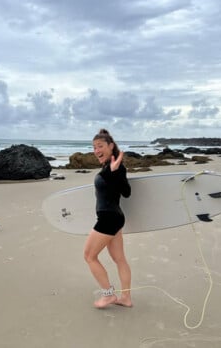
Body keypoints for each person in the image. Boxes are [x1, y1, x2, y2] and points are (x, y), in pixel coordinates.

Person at [83, 129, 132, 308]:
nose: (96, 151)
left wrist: (114, 172)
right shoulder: (108, 167)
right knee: (119, 259)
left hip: (109, 219)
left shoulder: (116, 168)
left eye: (100, 146)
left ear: (111, 146)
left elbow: (126, 192)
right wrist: (111, 171)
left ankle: (108, 295)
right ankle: (126, 298)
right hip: (114, 218)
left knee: (89, 256)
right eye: (94, 147)